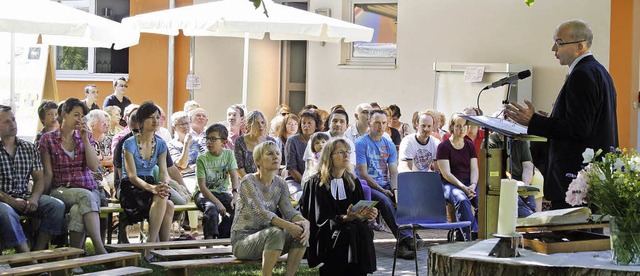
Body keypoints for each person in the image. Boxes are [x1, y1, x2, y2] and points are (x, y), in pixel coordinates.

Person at [505, 19, 618, 210]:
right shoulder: (600, 72)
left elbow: (579, 128)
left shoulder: (582, 75)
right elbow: (586, 121)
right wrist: (551, 120)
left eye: (559, 42)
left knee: (574, 236)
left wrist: (535, 121)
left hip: (576, 179)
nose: (553, 48)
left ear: (580, 46)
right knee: (588, 236)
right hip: (592, 174)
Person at [39, 98, 108, 255]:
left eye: (82, 116)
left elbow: (93, 167)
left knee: (78, 210)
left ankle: (74, 257)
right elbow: (48, 173)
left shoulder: (85, 137)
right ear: (64, 114)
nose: (80, 119)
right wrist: (44, 196)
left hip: (88, 188)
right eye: (76, 115)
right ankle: (100, 249)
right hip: (62, 189)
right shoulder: (48, 139)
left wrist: (85, 139)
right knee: (85, 197)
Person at [300, 138, 378, 275]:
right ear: (329, 156)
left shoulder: (352, 181)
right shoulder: (316, 183)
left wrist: (367, 214)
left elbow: (359, 210)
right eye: (341, 152)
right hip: (325, 232)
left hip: (351, 226)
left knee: (363, 230)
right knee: (347, 233)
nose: (346, 155)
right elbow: (318, 218)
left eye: (347, 151)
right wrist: (344, 218)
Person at [231, 141, 309, 276]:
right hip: (242, 241)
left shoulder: (281, 183)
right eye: (270, 153)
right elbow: (261, 213)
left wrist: (304, 222)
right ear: (258, 161)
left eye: (278, 153)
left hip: (270, 237)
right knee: (276, 232)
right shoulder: (248, 181)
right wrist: (290, 226)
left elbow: (289, 210)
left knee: (301, 233)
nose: (276, 157)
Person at [0, 105, 65, 254]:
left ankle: (38, 250)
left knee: (56, 206)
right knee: (6, 212)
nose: (13, 124)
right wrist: (11, 201)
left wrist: (34, 198)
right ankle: (26, 256)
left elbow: (39, 178)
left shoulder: (28, 148)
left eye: (14, 119)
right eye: (6, 122)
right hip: (3, 200)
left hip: (24, 196)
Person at [355, 109, 416, 259]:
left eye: (383, 123)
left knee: (403, 197)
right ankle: (406, 238)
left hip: (386, 185)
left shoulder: (388, 145)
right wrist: (383, 190)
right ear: (369, 123)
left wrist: (394, 190)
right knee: (383, 199)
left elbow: (394, 172)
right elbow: (363, 173)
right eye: (377, 123)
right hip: (366, 186)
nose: (380, 126)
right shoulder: (361, 143)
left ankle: (404, 242)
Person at [120, 101, 174, 261]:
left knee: (168, 204)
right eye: (151, 117)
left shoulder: (161, 144)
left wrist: (163, 185)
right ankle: (152, 248)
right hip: (131, 187)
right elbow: (132, 176)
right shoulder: (128, 143)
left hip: (151, 183)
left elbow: (164, 171)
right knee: (163, 198)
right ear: (141, 121)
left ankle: (163, 249)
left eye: (158, 117)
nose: (156, 121)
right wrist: (153, 189)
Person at [436, 113, 479, 240]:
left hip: (469, 183)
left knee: (482, 202)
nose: (462, 129)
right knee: (461, 199)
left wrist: (473, 185)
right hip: (450, 184)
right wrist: (464, 189)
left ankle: (464, 235)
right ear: (452, 127)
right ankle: (472, 235)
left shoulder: (470, 145)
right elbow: (446, 174)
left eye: (465, 126)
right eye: (458, 126)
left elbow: (474, 168)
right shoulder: (443, 147)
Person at [195, 124, 239, 239]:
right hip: (204, 194)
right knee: (211, 208)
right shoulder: (202, 159)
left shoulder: (229, 154)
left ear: (224, 143)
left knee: (237, 208)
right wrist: (217, 203)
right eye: (207, 138)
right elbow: (202, 188)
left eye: (213, 139)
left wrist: (235, 195)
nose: (209, 142)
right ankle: (209, 248)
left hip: (222, 193)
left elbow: (234, 177)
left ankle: (223, 239)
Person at [284, 109, 321, 199]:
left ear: (316, 125)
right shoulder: (292, 141)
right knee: (303, 197)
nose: (306, 126)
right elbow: (291, 169)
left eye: (309, 123)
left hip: (316, 182)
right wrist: (307, 184)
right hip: (295, 182)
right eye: (303, 123)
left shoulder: (321, 140)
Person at [234, 110, 275, 178]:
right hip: (246, 181)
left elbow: (274, 166)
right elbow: (239, 168)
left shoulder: (271, 142)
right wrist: (250, 183)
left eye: (262, 122)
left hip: (267, 181)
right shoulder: (240, 141)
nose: (260, 125)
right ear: (249, 126)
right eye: (256, 123)